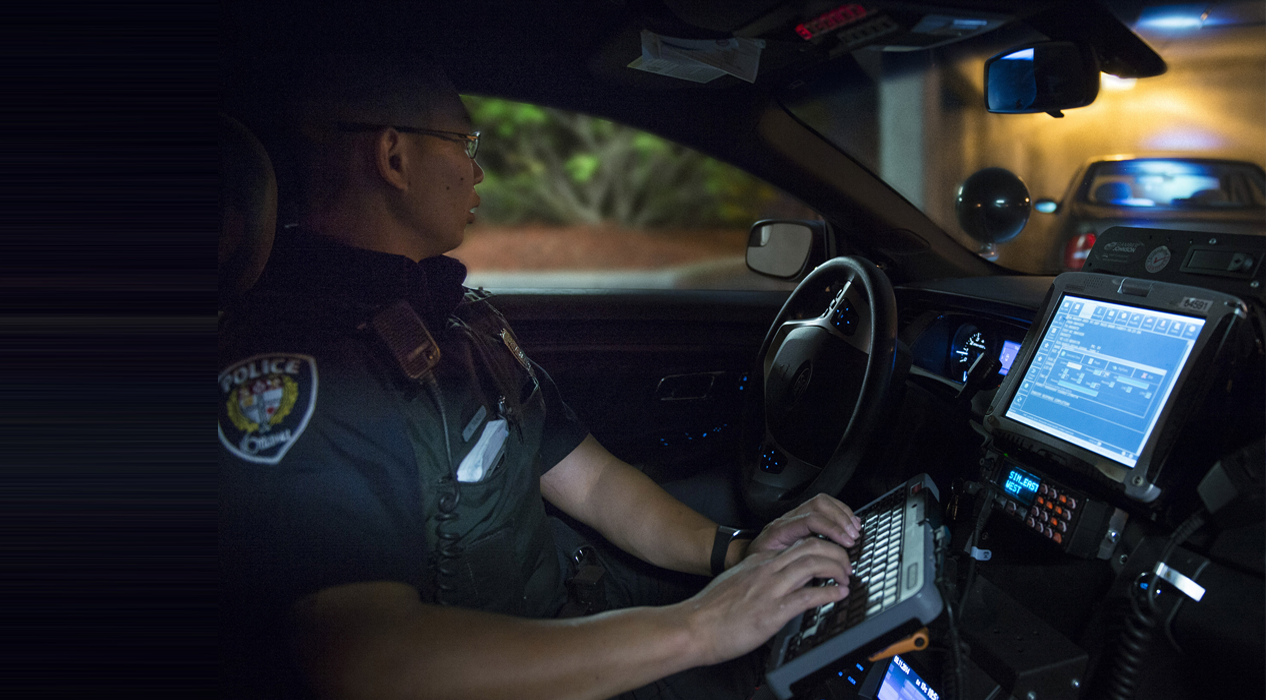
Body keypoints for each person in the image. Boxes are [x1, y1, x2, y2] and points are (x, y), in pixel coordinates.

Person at [219, 53, 862, 700]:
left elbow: (595, 482)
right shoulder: (305, 376)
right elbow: (368, 658)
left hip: (564, 606)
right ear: (392, 157)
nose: (478, 169)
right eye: (464, 143)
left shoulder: (459, 317)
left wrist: (738, 552)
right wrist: (699, 628)